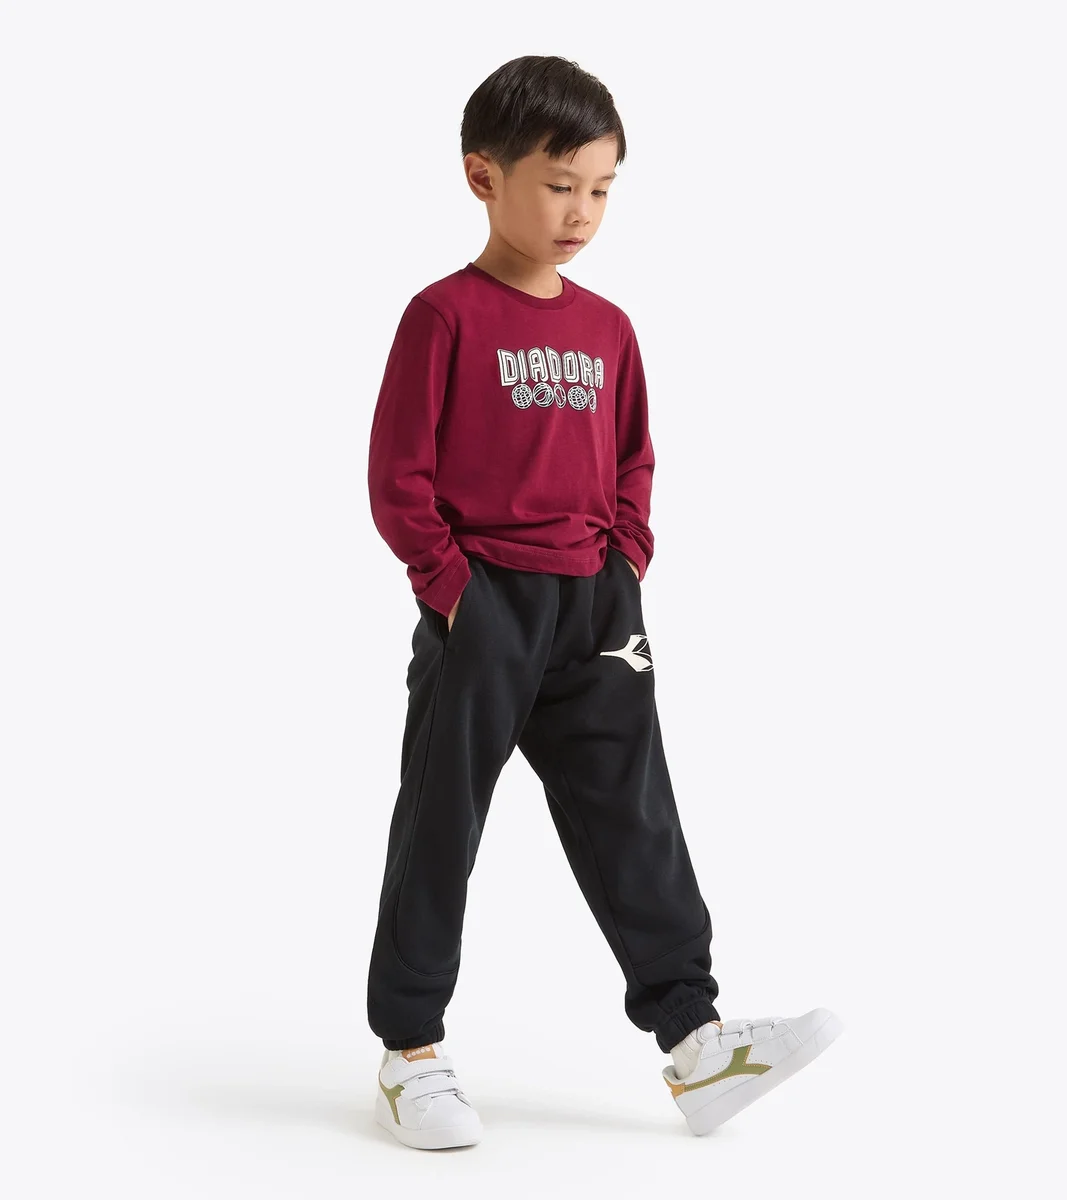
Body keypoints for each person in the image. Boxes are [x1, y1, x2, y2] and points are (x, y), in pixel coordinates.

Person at [366, 55, 842, 1151]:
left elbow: (633, 458)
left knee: (634, 814)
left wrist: (624, 561)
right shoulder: (442, 316)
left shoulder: (608, 327)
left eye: (600, 188)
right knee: (441, 824)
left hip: (596, 607)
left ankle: (695, 1043)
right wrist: (454, 592)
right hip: (484, 606)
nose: (579, 211)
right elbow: (397, 477)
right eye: (557, 185)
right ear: (482, 177)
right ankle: (409, 1052)